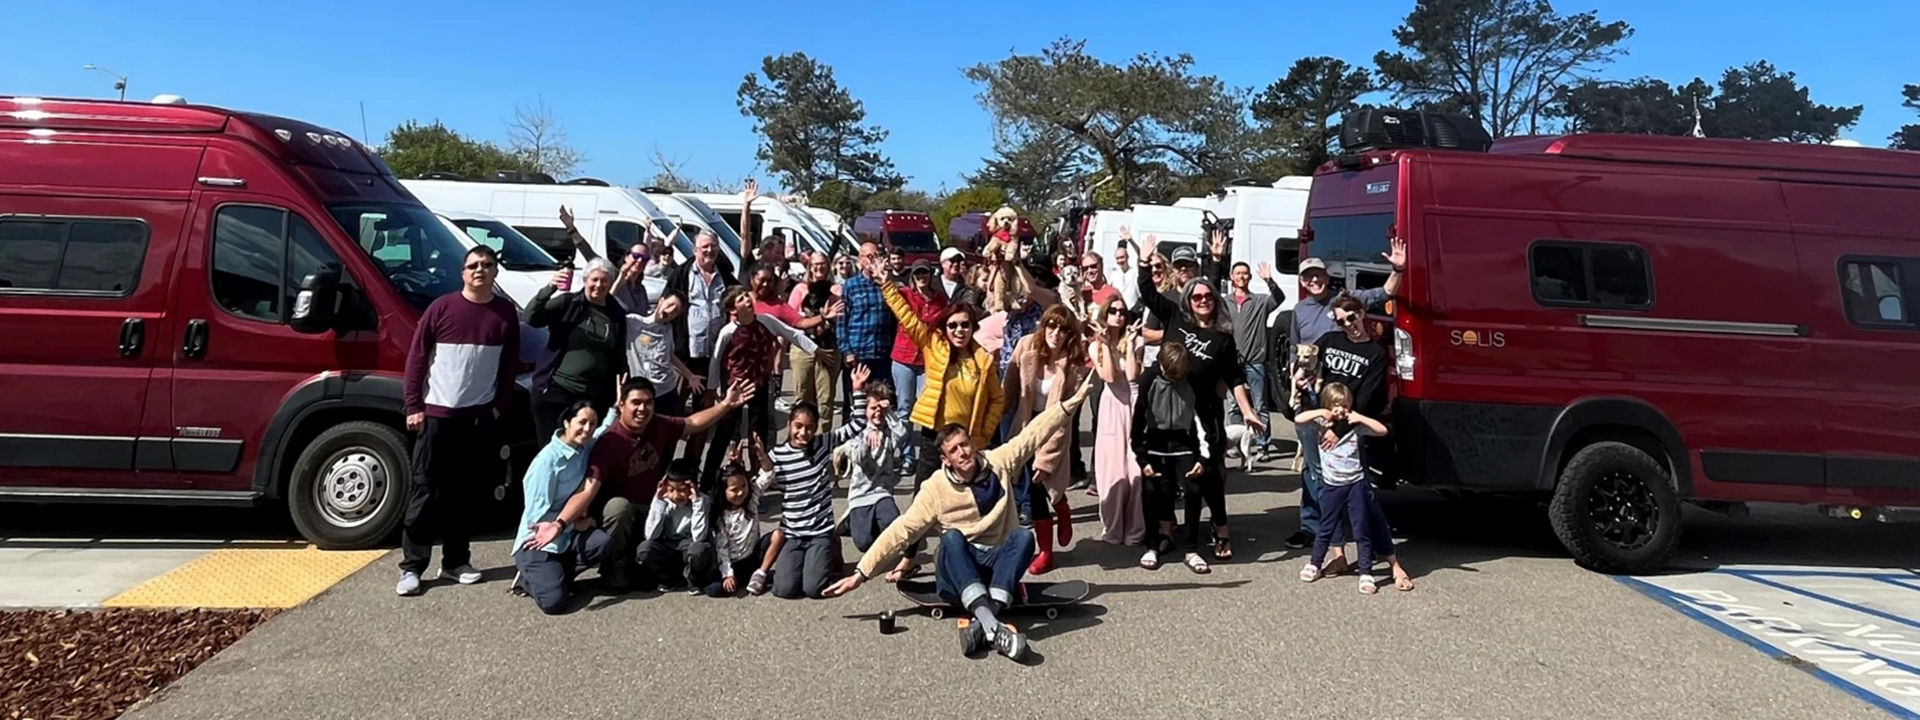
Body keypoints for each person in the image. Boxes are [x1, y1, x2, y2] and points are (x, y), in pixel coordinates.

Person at [825, 373, 1097, 662]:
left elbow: (1033, 434)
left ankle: (984, 624)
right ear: (945, 459)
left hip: (995, 571)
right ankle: (994, 625)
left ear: (973, 443)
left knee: (1023, 537)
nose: (963, 452)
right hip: (957, 574)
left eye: (965, 444)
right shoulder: (935, 489)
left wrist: (1070, 404)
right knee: (952, 539)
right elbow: (901, 531)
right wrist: (860, 574)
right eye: (954, 450)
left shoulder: (999, 462)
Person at [398, 246, 520, 597]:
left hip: (478, 417)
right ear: (463, 273)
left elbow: (509, 363)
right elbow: (417, 357)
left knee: (464, 494)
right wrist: (414, 405)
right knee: (425, 491)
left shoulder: (505, 313)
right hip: (437, 414)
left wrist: (498, 406)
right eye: (473, 265)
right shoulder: (441, 308)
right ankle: (412, 567)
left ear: (495, 271)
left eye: (487, 265)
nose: (480, 270)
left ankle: (455, 561)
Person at [1135, 259, 1266, 563]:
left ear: (1216, 301)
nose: (1203, 301)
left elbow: (1234, 378)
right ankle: (1166, 531)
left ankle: (1221, 529)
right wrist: (1143, 263)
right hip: (1168, 412)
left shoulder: (1223, 338)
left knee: (1209, 476)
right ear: (1188, 300)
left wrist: (1247, 411)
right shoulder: (1174, 317)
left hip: (1206, 414)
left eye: (1208, 296)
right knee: (1165, 475)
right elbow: (1148, 293)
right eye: (1196, 297)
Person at [1281, 237, 1404, 550]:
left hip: (1347, 406)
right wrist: (1296, 382)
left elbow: (1385, 293)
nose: (1314, 280)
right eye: (1308, 276)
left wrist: (1398, 269)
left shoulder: (1345, 300)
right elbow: (1298, 352)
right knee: (1313, 469)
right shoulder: (1300, 310)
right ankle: (1312, 528)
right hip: (1313, 401)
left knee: (1350, 471)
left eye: (1318, 274)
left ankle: (1350, 530)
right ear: (1302, 282)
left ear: (1327, 276)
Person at [586, 376, 756, 592]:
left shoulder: (657, 424)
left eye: (648, 402)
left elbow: (693, 423)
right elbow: (591, 486)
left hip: (659, 508)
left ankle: (682, 570)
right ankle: (615, 572)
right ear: (621, 404)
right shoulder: (609, 441)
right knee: (619, 507)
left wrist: (725, 404)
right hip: (629, 517)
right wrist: (565, 521)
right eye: (636, 402)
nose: (642, 408)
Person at [1306, 294, 1414, 592]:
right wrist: (1300, 381)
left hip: (1349, 429)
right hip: (1321, 425)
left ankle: (1392, 562)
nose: (1348, 325)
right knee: (1326, 494)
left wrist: (1338, 430)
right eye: (1341, 321)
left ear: (1362, 313)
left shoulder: (1375, 353)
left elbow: (1365, 399)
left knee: (1366, 501)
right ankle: (1338, 555)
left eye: (1351, 317)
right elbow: (1309, 364)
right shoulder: (1330, 340)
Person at [877, 255, 1006, 485]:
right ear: (944, 328)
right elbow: (908, 318)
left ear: (972, 328)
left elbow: (997, 399)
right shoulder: (933, 344)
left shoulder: (983, 360)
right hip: (934, 434)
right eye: (952, 325)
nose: (959, 330)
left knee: (964, 493)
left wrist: (983, 434)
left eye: (965, 325)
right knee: (925, 491)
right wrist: (887, 285)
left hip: (966, 438)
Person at [752, 381, 874, 600]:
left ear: (816, 428)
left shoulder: (822, 444)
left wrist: (857, 390)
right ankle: (803, 560)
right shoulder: (777, 455)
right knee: (784, 589)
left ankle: (830, 546)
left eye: (809, 428)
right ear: (789, 424)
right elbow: (760, 482)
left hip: (819, 530)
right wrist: (755, 462)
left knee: (813, 588)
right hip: (793, 532)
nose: (803, 433)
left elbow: (857, 424)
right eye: (798, 426)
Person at [702, 286, 819, 489]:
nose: (747, 300)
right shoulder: (728, 331)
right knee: (724, 434)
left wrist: (815, 350)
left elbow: (791, 333)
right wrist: (712, 388)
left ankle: (757, 482)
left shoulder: (766, 321)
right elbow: (715, 359)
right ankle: (707, 482)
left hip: (760, 386)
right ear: (733, 310)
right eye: (740, 299)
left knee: (758, 437)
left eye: (746, 296)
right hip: (736, 390)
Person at [1003, 303, 1088, 574]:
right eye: (1051, 325)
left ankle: (1048, 548)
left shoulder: (1073, 365)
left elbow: (1065, 417)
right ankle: (1055, 519)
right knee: (1027, 486)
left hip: (1055, 427)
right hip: (1027, 424)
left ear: (1070, 335)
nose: (1056, 333)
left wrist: (1045, 461)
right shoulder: (1026, 346)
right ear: (1044, 326)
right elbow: (1009, 390)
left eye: (1063, 329)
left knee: (1041, 483)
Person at [510, 401, 608, 614]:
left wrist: (616, 409)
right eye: (582, 422)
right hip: (539, 540)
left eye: (592, 423)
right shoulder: (547, 462)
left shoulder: (583, 446)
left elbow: (603, 431)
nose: (587, 429)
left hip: (564, 534)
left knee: (601, 542)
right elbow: (536, 519)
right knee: (553, 603)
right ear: (566, 422)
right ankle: (528, 577)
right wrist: (574, 525)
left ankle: (555, 578)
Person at [1293, 382, 1390, 594]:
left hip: (1355, 483)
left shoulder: (1354, 425)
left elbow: (1382, 430)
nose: (1340, 410)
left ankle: (1366, 572)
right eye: (1335, 405)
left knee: (1361, 528)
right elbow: (1299, 419)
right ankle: (1315, 563)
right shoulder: (1320, 423)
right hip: (1331, 485)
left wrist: (1360, 417)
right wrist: (1321, 412)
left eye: (1345, 405)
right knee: (1325, 527)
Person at [526, 260, 629, 443]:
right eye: (594, 279)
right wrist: (549, 289)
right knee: (553, 450)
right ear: (585, 280)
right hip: (557, 391)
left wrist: (622, 389)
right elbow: (531, 318)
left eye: (604, 281)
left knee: (584, 451)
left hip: (594, 397)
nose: (599, 285)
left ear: (611, 283)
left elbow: (619, 354)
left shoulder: (616, 314)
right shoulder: (568, 303)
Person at [1129, 342, 1210, 572]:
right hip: (1155, 444)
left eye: (1179, 375)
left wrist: (1203, 458)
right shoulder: (1149, 379)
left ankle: (1191, 549)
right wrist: (1142, 459)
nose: (1175, 379)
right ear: (1162, 366)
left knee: (1193, 490)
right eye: (1171, 375)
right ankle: (1152, 545)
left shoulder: (1192, 380)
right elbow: (1138, 420)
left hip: (1185, 444)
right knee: (1153, 491)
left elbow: (1204, 419)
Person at [665, 229, 741, 463]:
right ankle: (664, 468)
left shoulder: (726, 276)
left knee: (704, 417)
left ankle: (690, 468)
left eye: (713, 246)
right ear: (695, 249)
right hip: (684, 358)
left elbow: (739, 301)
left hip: (712, 359)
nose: (710, 250)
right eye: (705, 246)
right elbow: (666, 306)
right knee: (673, 416)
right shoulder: (681, 274)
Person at [832, 379, 917, 580]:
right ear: (864, 411)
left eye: (880, 408)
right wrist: (867, 439)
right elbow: (857, 456)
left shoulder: (889, 431)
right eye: (872, 408)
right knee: (863, 543)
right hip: (860, 496)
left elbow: (903, 434)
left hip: (882, 493)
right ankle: (851, 521)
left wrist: (891, 413)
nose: (877, 412)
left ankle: (880, 528)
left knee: (893, 523)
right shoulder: (858, 431)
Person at [1090, 298, 1145, 546]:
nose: (1118, 315)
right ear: (1105, 314)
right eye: (1113, 311)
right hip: (1111, 406)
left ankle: (1136, 530)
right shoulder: (1095, 347)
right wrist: (1105, 345)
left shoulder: (1137, 341)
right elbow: (1110, 377)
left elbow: (1132, 375)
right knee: (1114, 471)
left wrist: (1131, 344)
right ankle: (1113, 528)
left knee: (1136, 471)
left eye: (1123, 311)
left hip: (1133, 404)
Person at [889, 259, 949, 473]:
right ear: (912, 277)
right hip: (903, 357)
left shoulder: (940, 299)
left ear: (931, 275)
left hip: (927, 360)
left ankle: (928, 454)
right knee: (904, 408)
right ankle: (907, 456)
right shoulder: (905, 295)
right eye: (917, 273)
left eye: (924, 273)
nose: (921, 277)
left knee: (928, 408)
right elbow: (889, 294)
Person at [1225, 261, 1281, 462]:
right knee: (1233, 405)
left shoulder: (1260, 301)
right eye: (1238, 273)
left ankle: (1262, 445)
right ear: (1232, 277)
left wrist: (1269, 280)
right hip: (1232, 362)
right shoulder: (1224, 302)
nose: (1241, 276)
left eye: (1245, 273)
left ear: (1249, 277)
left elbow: (1279, 298)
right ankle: (1236, 444)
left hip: (1255, 361)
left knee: (1260, 406)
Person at [839, 241, 898, 423]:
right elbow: (842, 320)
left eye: (876, 256)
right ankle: (851, 437)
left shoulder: (887, 285)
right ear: (860, 260)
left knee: (882, 401)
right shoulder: (851, 285)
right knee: (856, 403)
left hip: (882, 354)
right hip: (858, 354)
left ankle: (881, 437)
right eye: (869, 257)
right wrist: (847, 351)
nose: (873, 260)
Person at [634, 463, 716, 592]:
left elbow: (699, 537)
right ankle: (667, 579)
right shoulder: (663, 501)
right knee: (644, 549)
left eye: (682, 490)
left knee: (698, 549)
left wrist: (697, 504)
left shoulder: (702, 501)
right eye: (671, 490)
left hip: (688, 545)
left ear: (693, 487)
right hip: (668, 546)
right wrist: (658, 502)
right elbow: (650, 535)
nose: (676, 496)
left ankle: (693, 579)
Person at [624, 289, 701, 417]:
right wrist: (620, 280)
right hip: (642, 390)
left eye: (675, 311)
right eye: (670, 305)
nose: (670, 311)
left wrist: (690, 376)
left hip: (666, 390)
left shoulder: (668, 330)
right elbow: (608, 308)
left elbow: (670, 355)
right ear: (661, 301)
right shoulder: (634, 322)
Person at [706, 458, 776, 598]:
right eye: (734, 489)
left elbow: (768, 474)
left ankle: (761, 573)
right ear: (723, 491)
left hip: (753, 555)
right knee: (713, 589)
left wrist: (761, 455)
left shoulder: (751, 498)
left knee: (778, 535)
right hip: (734, 563)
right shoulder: (721, 517)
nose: (740, 493)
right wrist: (728, 575)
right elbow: (722, 549)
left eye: (743, 486)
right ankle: (743, 580)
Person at [788, 252, 843, 428]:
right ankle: (800, 437)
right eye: (815, 264)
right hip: (803, 347)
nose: (819, 268)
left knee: (825, 399)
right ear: (810, 267)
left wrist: (830, 320)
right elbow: (790, 318)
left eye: (822, 264)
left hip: (828, 347)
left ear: (828, 266)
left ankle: (822, 439)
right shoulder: (800, 289)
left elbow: (842, 318)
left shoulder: (836, 290)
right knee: (803, 397)